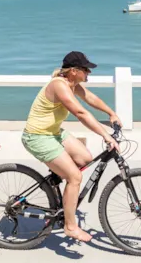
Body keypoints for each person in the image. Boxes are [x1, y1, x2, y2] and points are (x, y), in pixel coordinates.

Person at [21, 51, 121, 243]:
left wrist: (111, 113)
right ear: (74, 71)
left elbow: (90, 98)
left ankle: (57, 187)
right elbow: (80, 112)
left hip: (53, 132)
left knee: (84, 159)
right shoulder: (59, 86)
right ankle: (70, 226)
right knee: (75, 177)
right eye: (86, 70)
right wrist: (106, 135)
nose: (88, 74)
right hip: (37, 137)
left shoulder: (70, 83)